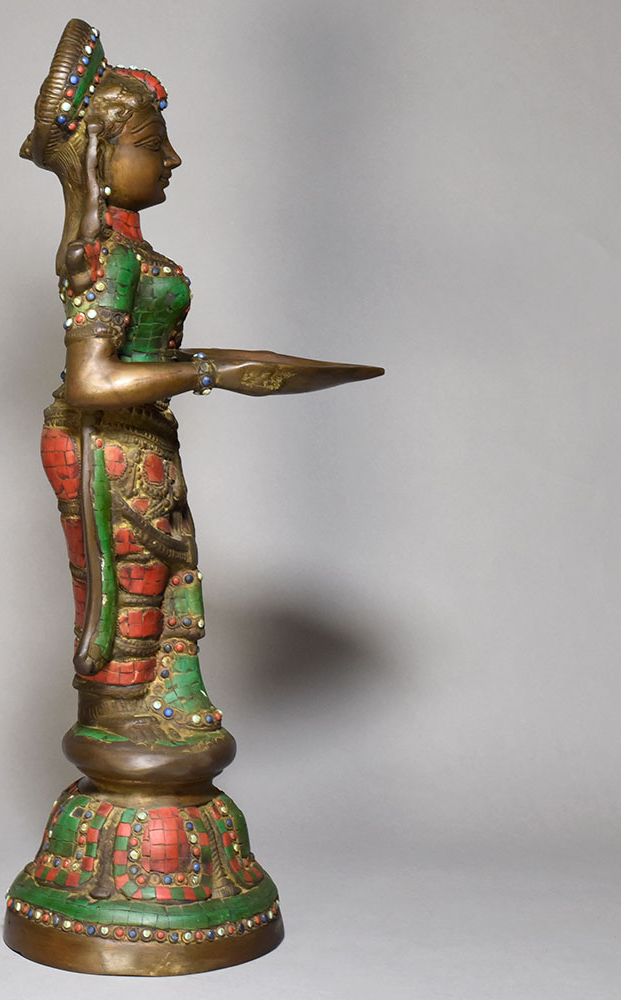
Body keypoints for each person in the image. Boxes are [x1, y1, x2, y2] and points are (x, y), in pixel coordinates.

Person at [22, 21, 382, 749]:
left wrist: (248, 362)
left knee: (170, 572)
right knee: (130, 587)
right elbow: (90, 380)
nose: (173, 159)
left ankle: (160, 711)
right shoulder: (107, 258)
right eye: (153, 145)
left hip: (142, 432)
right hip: (108, 440)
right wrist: (212, 373)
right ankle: (123, 721)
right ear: (102, 157)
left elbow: (146, 353)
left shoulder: (132, 251)